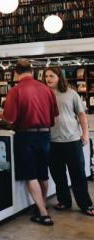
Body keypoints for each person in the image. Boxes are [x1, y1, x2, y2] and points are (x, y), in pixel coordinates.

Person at [0, 59, 59, 226]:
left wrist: (2, 116)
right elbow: (54, 114)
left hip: (25, 137)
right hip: (45, 135)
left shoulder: (15, 90)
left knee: (30, 175)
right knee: (42, 173)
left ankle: (43, 213)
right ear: (32, 72)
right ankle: (41, 206)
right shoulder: (46, 89)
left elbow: (10, 118)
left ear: (16, 73)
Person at [44, 66, 93, 216]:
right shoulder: (44, 95)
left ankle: (86, 205)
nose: (48, 79)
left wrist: (84, 135)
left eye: (51, 76)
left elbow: (82, 115)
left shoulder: (71, 94)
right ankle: (64, 201)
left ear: (59, 77)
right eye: (46, 76)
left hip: (72, 141)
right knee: (58, 175)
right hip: (52, 142)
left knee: (77, 174)